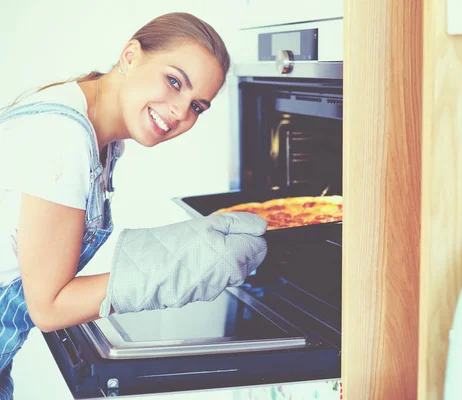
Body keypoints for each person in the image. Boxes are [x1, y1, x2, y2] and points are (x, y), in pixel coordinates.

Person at [0, 12, 268, 398]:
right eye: (174, 81)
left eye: (198, 106)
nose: (180, 111)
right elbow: (48, 306)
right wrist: (179, 267)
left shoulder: (96, 134)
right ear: (130, 56)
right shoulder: (64, 138)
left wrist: (186, 245)